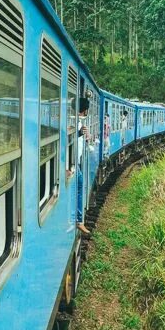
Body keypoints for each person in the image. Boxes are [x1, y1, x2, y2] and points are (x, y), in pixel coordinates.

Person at [70, 97, 91, 235]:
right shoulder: (72, 121)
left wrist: (86, 135)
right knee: (79, 186)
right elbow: (66, 136)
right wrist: (79, 133)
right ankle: (78, 220)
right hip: (71, 163)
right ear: (85, 110)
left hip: (75, 162)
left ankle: (78, 219)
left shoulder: (77, 121)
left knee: (79, 185)